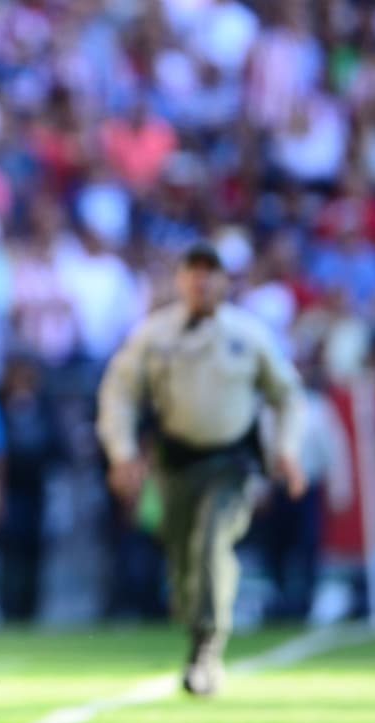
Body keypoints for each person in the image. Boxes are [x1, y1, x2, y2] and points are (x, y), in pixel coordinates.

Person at [97, 243, 306, 695]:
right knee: (183, 564)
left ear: (224, 282)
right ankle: (197, 627)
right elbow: (120, 392)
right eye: (193, 271)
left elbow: (287, 394)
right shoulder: (155, 334)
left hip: (231, 464)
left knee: (212, 545)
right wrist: (122, 452)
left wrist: (286, 448)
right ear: (180, 279)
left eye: (211, 272)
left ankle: (206, 648)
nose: (201, 280)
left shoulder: (248, 335)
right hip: (174, 465)